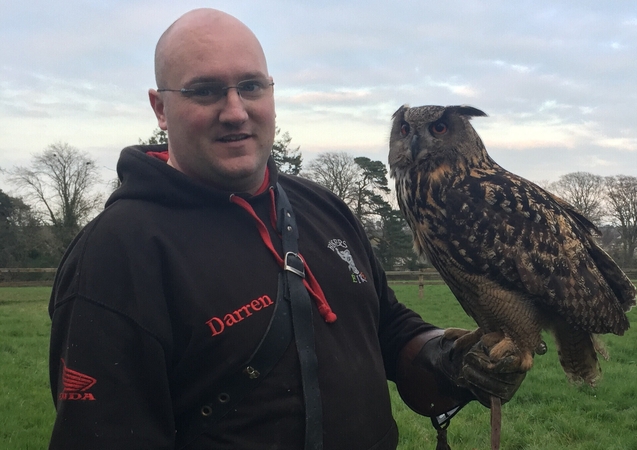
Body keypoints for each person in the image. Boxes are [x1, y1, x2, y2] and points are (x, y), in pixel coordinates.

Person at [48, 8, 525, 449]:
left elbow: (386, 327)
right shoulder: (117, 254)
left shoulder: (322, 206)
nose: (235, 110)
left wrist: (450, 359)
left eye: (251, 86)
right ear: (159, 107)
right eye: (206, 90)